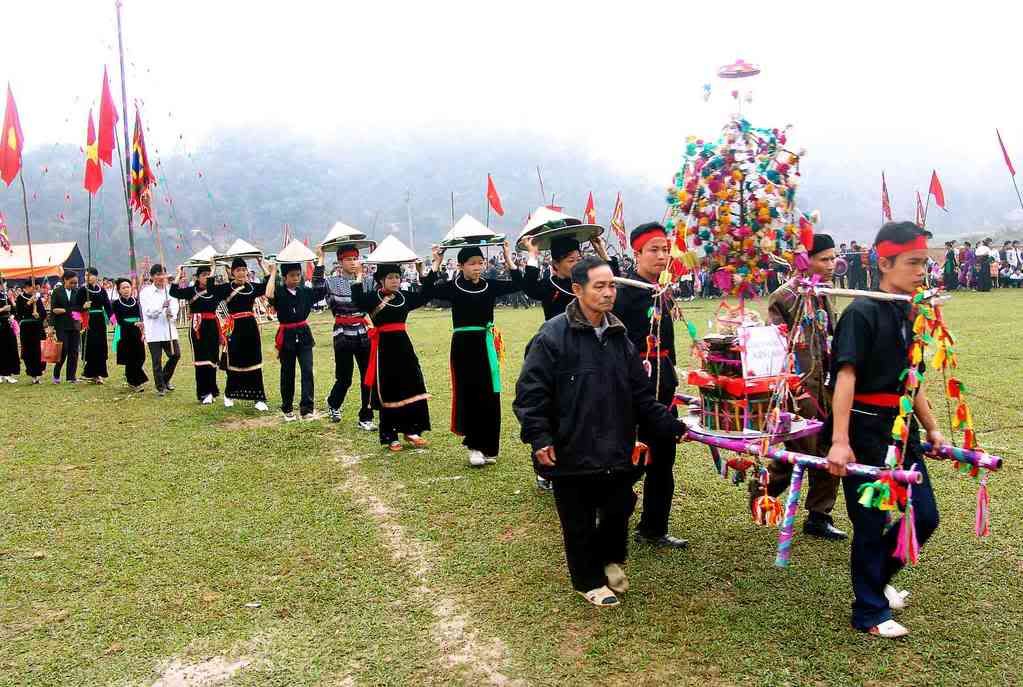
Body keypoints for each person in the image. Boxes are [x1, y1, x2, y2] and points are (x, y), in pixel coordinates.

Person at [514, 256, 687, 607]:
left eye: (612, 286)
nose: (609, 293)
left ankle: (609, 559)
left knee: (619, 505)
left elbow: (641, 394)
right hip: (571, 443)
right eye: (600, 286)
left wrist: (672, 425)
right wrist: (540, 437)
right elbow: (531, 393)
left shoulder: (619, 336)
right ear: (578, 290)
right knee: (577, 518)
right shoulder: (552, 336)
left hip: (615, 441)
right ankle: (588, 581)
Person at [825, 221, 945, 639]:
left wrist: (932, 429)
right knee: (870, 522)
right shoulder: (861, 312)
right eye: (912, 263)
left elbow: (913, 378)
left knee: (925, 515)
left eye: (924, 263)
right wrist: (840, 441)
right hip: (863, 431)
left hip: (901, 430)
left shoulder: (911, 311)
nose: (921, 272)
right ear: (884, 262)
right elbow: (845, 378)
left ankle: (879, 577)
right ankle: (869, 612)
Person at [765, 234, 846, 540]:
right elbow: (775, 344)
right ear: (805, 260)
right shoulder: (784, 296)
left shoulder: (825, 291)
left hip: (828, 383)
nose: (831, 265)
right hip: (799, 388)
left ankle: (819, 515)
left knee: (828, 448)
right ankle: (764, 493)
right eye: (824, 259)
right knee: (799, 451)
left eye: (832, 258)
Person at [612, 222, 688, 549]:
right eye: (653, 250)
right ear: (637, 253)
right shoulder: (624, 293)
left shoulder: (661, 290)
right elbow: (618, 345)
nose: (661, 256)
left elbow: (667, 342)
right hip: (634, 390)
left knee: (663, 460)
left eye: (664, 249)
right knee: (629, 461)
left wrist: (669, 374)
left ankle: (653, 528)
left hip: (663, 386)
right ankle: (604, 515)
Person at [521, 233, 614, 490]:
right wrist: (532, 253)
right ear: (556, 265)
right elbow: (528, 286)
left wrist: (601, 248)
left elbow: (612, 278)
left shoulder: (590, 286)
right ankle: (545, 468)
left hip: (589, 352)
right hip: (556, 353)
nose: (577, 263)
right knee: (554, 411)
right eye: (571, 260)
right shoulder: (549, 286)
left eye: (579, 258)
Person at [421, 241, 523, 467]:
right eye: (472, 264)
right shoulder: (454, 287)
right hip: (463, 346)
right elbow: (426, 291)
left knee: (490, 393)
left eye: (480, 263)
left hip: (486, 344)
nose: (477, 267)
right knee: (470, 393)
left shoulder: (490, 285)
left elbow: (519, 283)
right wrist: (436, 262)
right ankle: (474, 446)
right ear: (461, 266)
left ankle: (489, 447)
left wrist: (508, 257)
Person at [352, 262, 432, 451]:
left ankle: (412, 431)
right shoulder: (373, 298)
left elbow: (426, 294)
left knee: (412, 385)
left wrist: (421, 271)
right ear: (381, 280)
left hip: (404, 347)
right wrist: (358, 276)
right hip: (384, 350)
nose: (395, 281)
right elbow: (357, 299)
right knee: (389, 389)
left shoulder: (405, 297)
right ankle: (390, 435)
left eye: (397, 277)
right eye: (390, 277)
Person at [265, 257, 328, 421]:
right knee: (288, 373)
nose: (296, 278)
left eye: (298, 275)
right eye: (292, 275)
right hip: (286, 336)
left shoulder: (305, 292)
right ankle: (287, 408)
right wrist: (272, 272)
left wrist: (319, 261)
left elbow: (320, 290)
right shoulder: (279, 292)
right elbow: (268, 294)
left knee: (307, 370)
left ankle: (307, 409)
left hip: (304, 335)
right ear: (284, 278)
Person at [323, 245, 375, 429]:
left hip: (363, 332)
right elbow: (315, 287)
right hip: (343, 333)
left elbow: (373, 302)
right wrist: (320, 258)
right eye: (348, 259)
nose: (353, 263)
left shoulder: (368, 281)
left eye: (355, 258)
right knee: (344, 377)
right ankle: (333, 403)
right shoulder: (331, 282)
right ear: (340, 262)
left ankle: (366, 417)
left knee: (367, 376)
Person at [213, 257, 270, 411]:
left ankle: (258, 398)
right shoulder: (226, 288)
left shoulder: (252, 287)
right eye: (238, 270)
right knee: (235, 361)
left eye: (244, 270)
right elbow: (211, 289)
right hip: (234, 328)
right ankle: (229, 394)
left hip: (251, 327)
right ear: (233, 272)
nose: (242, 273)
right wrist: (213, 266)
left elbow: (267, 284)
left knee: (254, 360)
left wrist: (261, 264)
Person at [171, 263, 222, 404]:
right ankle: (203, 393)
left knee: (212, 359)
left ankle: (212, 390)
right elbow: (173, 292)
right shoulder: (191, 291)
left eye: (208, 274)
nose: (206, 277)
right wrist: (178, 274)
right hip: (197, 327)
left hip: (212, 326)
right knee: (201, 360)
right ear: (198, 277)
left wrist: (216, 266)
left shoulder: (215, 290)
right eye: (203, 275)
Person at [139, 264, 181, 397]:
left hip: (169, 331)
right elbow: (148, 312)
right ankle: (160, 386)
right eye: (157, 274)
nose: (161, 277)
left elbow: (176, 308)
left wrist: (171, 313)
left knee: (176, 355)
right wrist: (161, 307)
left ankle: (165, 378)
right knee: (157, 360)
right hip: (154, 332)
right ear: (152, 277)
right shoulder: (146, 292)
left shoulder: (170, 291)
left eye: (163, 274)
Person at [75, 266, 112, 383]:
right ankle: (91, 373)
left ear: (96, 276)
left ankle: (99, 373)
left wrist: (115, 321)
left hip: (100, 321)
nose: (87, 277)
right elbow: (75, 309)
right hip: (87, 320)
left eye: (89, 275)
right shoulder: (82, 290)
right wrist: (83, 307)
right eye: (85, 275)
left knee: (100, 345)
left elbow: (108, 306)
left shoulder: (102, 290)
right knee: (90, 346)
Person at [110, 277, 148, 390]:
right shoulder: (116, 304)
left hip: (137, 331)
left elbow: (142, 315)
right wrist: (132, 324)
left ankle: (132, 376)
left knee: (141, 356)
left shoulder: (137, 301)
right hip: (125, 331)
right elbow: (119, 320)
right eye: (123, 287)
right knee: (130, 357)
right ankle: (134, 381)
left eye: (128, 287)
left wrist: (141, 323)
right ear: (119, 290)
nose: (126, 289)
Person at [48, 269, 81, 384]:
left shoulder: (77, 292)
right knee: (63, 349)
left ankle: (71, 377)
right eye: (71, 282)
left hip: (75, 325)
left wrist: (65, 310)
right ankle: (56, 374)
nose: (74, 285)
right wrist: (51, 327)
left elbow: (78, 309)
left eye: (75, 283)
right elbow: (53, 310)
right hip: (61, 326)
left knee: (74, 351)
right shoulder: (57, 292)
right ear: (65, 280)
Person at [14, 280, 46, 383]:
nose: (34, 289)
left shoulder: (37, 298)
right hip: (26, 327)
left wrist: (39, 315)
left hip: (37, 327)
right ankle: (32, 374)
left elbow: (43, 313)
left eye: (35, 287)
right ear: (26, 288)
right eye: (32, 287)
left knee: (38, 351)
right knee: (29, 351)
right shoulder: (20, 298)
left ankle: (38, 374)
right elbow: (18, 314)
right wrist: (29, 303)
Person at [0, 274, 19, 382]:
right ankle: (2, 373)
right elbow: (4, 309)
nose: (4, 287)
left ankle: (8, 373)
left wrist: (12, 316)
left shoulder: (5, 296)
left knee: (10, 347)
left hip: (7, 324)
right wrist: (3, 309)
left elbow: (13, 310)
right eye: (3, 285)